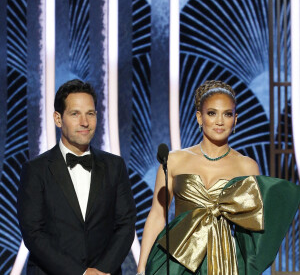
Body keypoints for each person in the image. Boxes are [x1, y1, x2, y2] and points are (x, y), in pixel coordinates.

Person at [137, 80, 300, 274]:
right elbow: (157, 215)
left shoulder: (247, 166)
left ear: (236, 119)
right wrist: (140, 269)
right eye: (212, 113)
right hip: (176, 261)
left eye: (227, 114)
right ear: (200, 117)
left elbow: (251, 233)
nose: (220, 121)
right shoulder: (174, 160)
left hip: (223, 264)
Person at [17, 79, 136, 275]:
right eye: (75, 114)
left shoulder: (115, 166)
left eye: (90, 114)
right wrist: (80, 273)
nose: (84, 122)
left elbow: (126, 224)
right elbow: (33, 233)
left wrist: (101, 270)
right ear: (58, 119)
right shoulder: (35, 170)